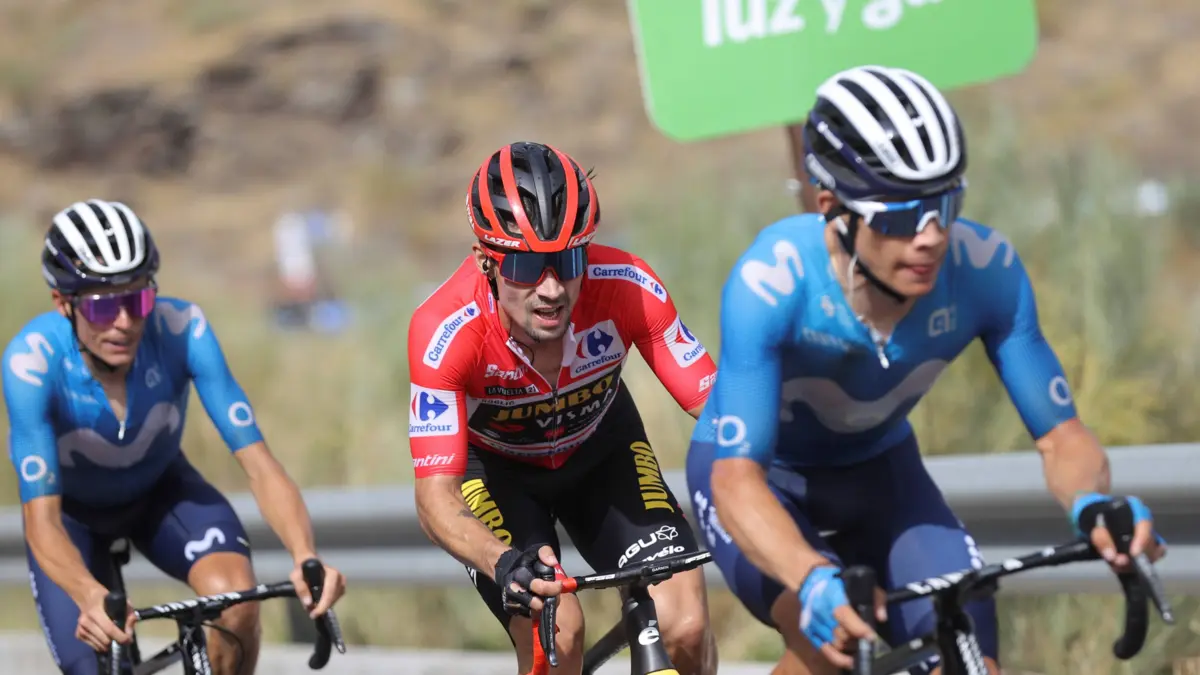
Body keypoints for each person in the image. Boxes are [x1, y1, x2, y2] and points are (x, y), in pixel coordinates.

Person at [684, 65, 1166, 675]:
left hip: (883, 477)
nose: (931, 236)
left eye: (945, 205)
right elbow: (736, 480)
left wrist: (1093, 503)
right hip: (763, 479)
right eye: (900, 216)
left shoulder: (986, 270)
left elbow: (1061, 436)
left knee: (968, 658)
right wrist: (811, 577)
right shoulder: (772, 284)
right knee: (828, 649)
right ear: (833, 208)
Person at [407, 141, 718, 675]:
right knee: (557, 632)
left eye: (569, 260)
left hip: (602, 453)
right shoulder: (445, 331)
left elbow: (725, 411)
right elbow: (434, 497)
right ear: (486, 259)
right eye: (527, 266)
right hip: (500, 475)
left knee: (684, 625)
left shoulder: (628, 287)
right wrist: (502, 562)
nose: (551, 288)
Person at [4, 199, 348, 675]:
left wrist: (305, 555)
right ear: (63, 304)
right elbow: (41, 518)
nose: (124, 322)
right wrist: (87, 594)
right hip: (71, 519)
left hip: (160, 494)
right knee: (92, 663)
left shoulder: (184, 330)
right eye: (103, 306)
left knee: (236, 603)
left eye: (138, 300)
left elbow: (260, 464)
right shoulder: (31, 363)